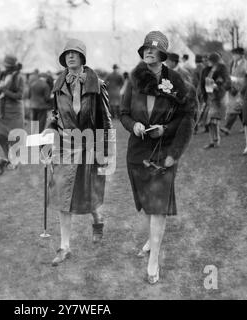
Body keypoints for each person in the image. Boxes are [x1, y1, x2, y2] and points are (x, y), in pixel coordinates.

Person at [120, 31, 194, 284]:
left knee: (158, 205)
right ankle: (152, 242)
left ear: (163, 54)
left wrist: (166, 129)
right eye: (145, 49)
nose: (148, 52)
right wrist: (134, 126)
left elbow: (186, 117)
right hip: (138, 151)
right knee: (147, 203)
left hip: (164, 151)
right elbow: (123, 113)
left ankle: (153, 263)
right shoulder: (134, 79)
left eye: (154, 50)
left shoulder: (176, 81)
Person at [44, 38, 114, 267]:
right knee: (64, 196)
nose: (70, 56)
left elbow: (105, 120)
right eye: (67, 53)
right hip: (65, 146)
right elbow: (55, 116)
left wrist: (105, 151)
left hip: (89, 146)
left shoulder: (97, 84)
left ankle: (98, 218)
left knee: (87, 193)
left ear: (83, 57)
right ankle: (65, 247)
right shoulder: (59, 85)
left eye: (75, 53)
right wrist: (48, 136)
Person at [0, 55, 25, 168]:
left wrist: (4, 90)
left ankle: (15, 161)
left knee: (14, 138)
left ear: (12, 66)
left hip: (15, 111)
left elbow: (20, 96)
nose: (5, 67)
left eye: (7, 65)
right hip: (3, 111)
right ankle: (9, 158)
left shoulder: (19, 77)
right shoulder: (3, 75)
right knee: (1, 137)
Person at [201, 52, 231, 149]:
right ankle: (212, 141)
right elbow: (204, 82)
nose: (207, 61)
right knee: (209, 121)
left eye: (209, 60)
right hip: (210, 97)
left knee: (213, 120)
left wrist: (218, 86)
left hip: (218, 97)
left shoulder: (222, 68)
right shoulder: (207, 69)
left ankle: (216, 141)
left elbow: (228, 82)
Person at [220, 47, 247, 135]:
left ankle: (227, 128)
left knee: (235, 108)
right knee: (240, 109)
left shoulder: (245, 64)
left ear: (241, 55)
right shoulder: (232, 63)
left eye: (235, 54)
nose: (233, 56)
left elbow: (245, 79)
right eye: (233, 54)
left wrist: (235, 79)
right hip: (233, 89)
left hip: (242, 90)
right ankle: (244, 126)